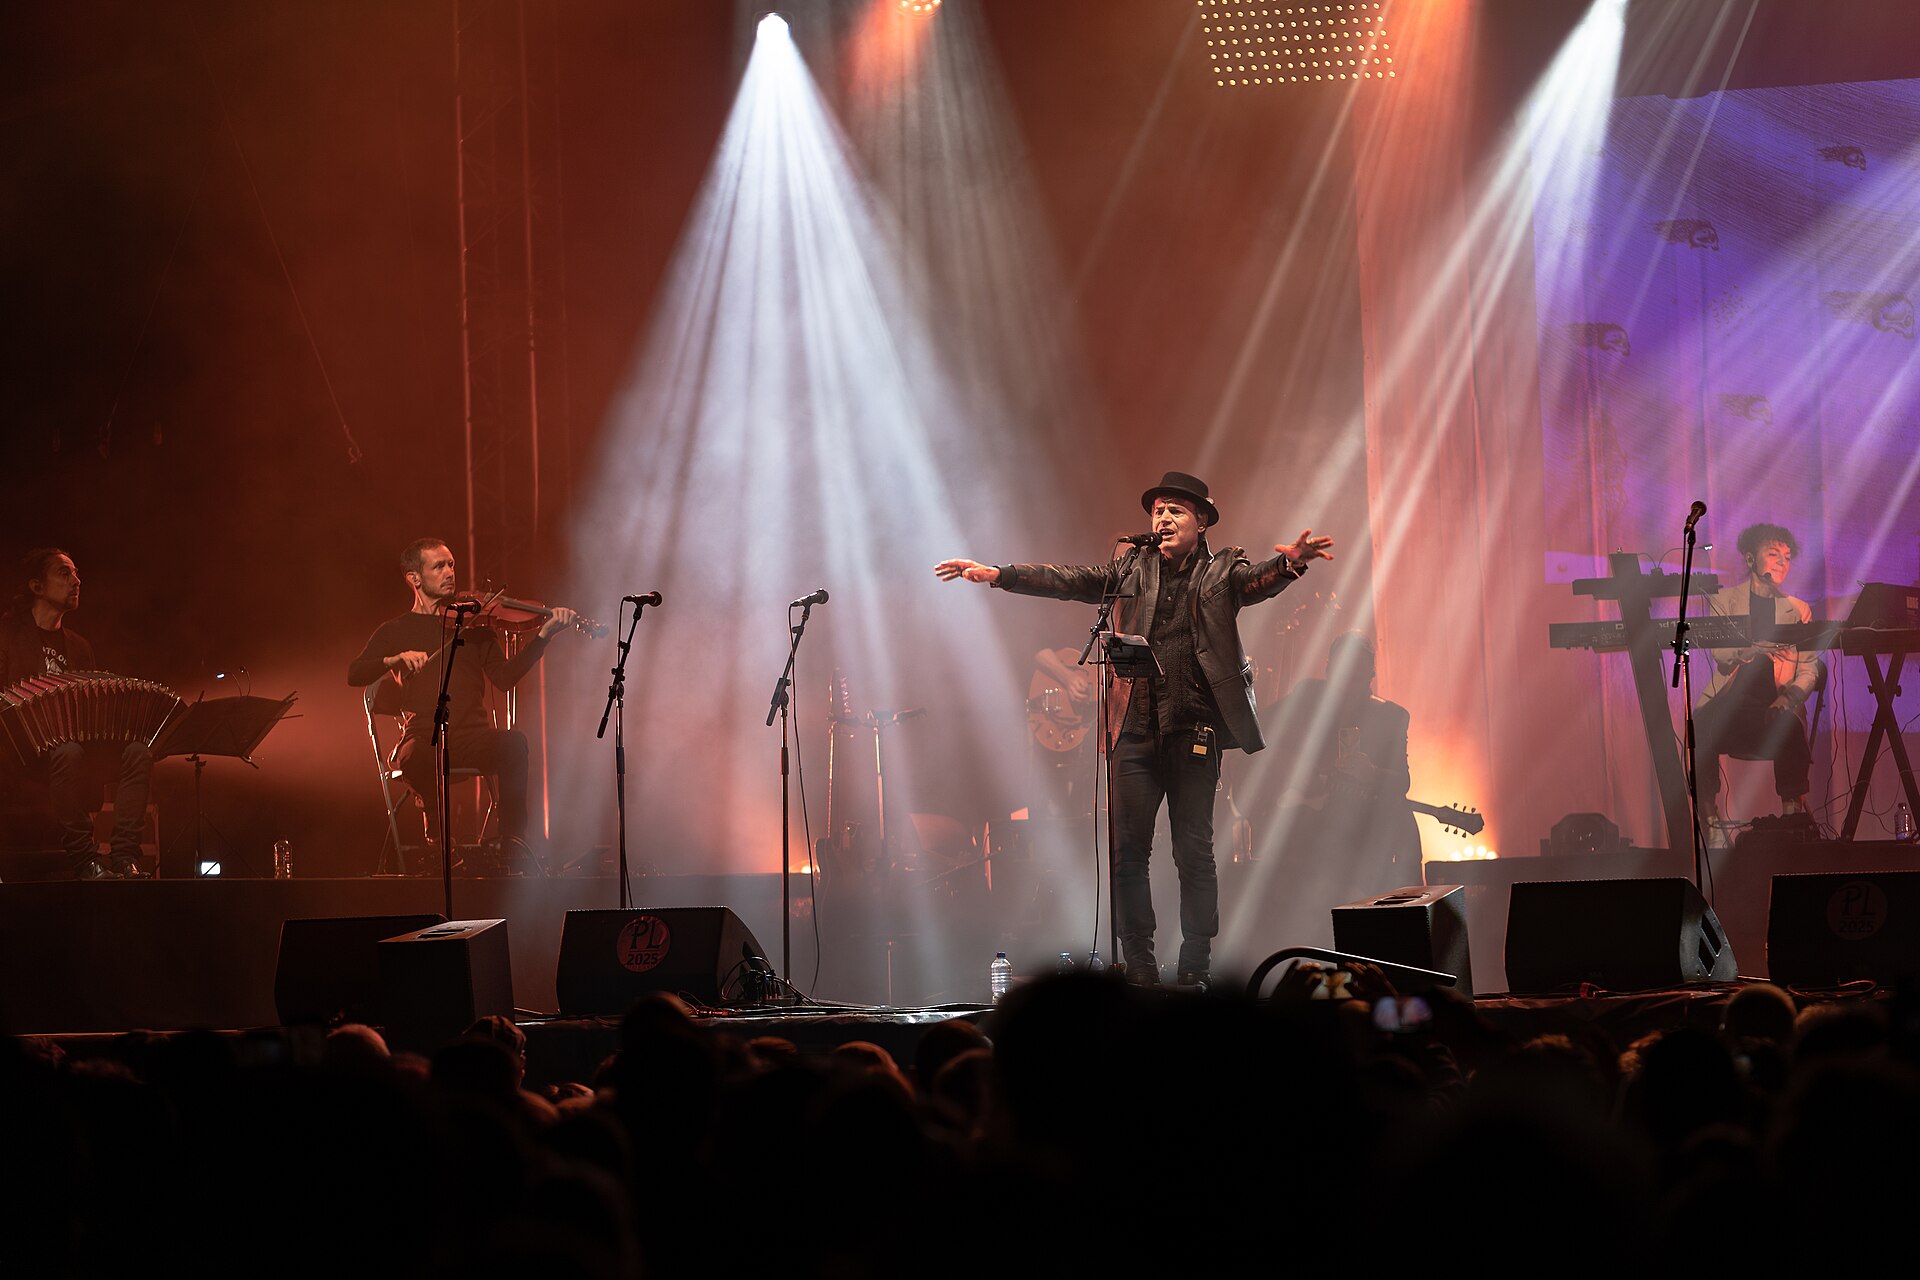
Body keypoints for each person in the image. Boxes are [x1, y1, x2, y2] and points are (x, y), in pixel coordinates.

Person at [936, 471, 1334, 988]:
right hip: (1134, 729)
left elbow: (1256, 581)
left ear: (1202, 521)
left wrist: (1290, 563)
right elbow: (1070, 580)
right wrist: (1000, 574)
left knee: (1193, 851)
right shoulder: (1131, 567)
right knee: (1128, 854)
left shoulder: (1221, 568)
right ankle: (1139, 965)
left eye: (1175, 510)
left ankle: (1195, 961)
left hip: (1193, 728)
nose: (1163, 518)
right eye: (1157, 510)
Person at [346, 537, 576, 871]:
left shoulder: (475, 625)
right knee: (418, 755)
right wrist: (393, 659)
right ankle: (440, 843)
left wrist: (543, 637)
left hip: (472, 737)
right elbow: (355, 673)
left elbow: (505, 678)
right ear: (414, 578)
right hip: (424, 734)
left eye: (451, 564)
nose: (449, 572)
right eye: (438, 566)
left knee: (514, 744)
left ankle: (512, 843)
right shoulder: (395, 630)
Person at [0, 548, 156, 880]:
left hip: (74, 752)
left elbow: (89, 707)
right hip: (22, 755)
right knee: (68, 752)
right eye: (64, 573)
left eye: (76, 573)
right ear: (36, 586)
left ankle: (124, 857)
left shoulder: (80, 647)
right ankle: (86, 861)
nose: (76, 580)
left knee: (138, 752)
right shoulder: (7, 637)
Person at [1264, 631, 1418, 908]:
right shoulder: (1308, 702)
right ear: (1329, 671)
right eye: (1341, 673)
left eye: (1355, 674)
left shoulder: (1391, 717)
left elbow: (1402, 782)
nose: (1347, 683)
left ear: (1370, 674)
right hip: (1314, 841)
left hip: (1365, 838)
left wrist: (1371, 773)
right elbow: (1261, 728)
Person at [1693, 523, 1818, 841]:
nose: (1782, 562)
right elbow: (1721, 655)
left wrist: (1787, 699)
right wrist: (1752, 648)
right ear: (1750, 559)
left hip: (1774, 704)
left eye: (1787, 557)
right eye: (1773, 554)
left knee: (1788, 727)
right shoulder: (1724, 599)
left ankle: (1792, 821)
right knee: (1698, 727)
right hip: (1731, 704)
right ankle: (1711, 823)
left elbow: (1809, 670)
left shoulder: (1798, 609)